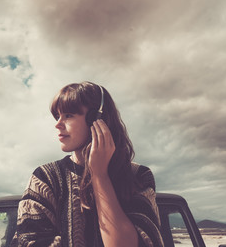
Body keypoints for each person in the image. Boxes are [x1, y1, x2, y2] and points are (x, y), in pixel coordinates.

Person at [12, 82, 163, 247]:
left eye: (68, 115)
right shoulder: (45, 178)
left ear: (96, 119)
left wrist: (99, 175)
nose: (57, 124)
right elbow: (29, 241)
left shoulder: (138, 176)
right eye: (57, 116)